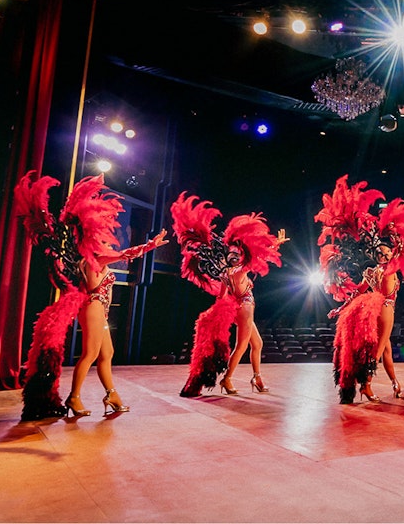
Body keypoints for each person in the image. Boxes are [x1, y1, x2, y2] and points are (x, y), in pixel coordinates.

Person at [14, 172, 168, 420]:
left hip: (99, 309)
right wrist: (151, 245)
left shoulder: (89, 254)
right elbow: (126, 254)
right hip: (94, 307)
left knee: (106, 355)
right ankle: (74, 397)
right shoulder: (96, 254)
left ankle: (112, 395)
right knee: (90, 354)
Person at [316, 175, 404, 404]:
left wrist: (339, 310)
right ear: (378, 256)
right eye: (383, 253)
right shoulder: (387, 268)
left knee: (386, 350)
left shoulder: (372, 273)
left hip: (378, 310)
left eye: (387, 252)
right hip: (385, 311)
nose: (387, 254)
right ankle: (366, 385)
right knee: (376, 353)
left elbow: (357, 293)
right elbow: (401, 250)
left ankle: (395, 382)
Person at [172, 193, 286, 397]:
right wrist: (275, 245)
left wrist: (224, 308)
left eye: (237, 253)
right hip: (244, 308)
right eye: (234, 254)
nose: (236, 256)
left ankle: (256, 377)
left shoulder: (226, 273)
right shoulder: (238, 271)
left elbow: (222, 296)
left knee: (257, 344)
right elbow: (255, 261)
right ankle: (227, 378)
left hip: (239, 306)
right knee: (241, 345)